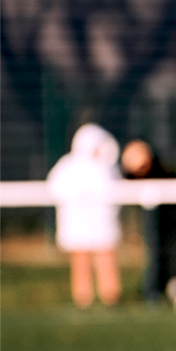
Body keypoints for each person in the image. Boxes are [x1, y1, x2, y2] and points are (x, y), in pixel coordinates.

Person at [47, 123, 123, 309]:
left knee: (106, 258)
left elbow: (117, 192)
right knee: (81, 261)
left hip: (103, 224)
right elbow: (54, 188)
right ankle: (83, 299)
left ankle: (110, 297)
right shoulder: (68, 166)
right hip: (77, 224)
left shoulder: (107, 168)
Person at [120, 139, 176, 307]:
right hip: (153, 220)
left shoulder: (164, 172)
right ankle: (153, 291)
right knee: (156, 251)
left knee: (175, 250)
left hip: (171, 221)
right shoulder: (131, 180)